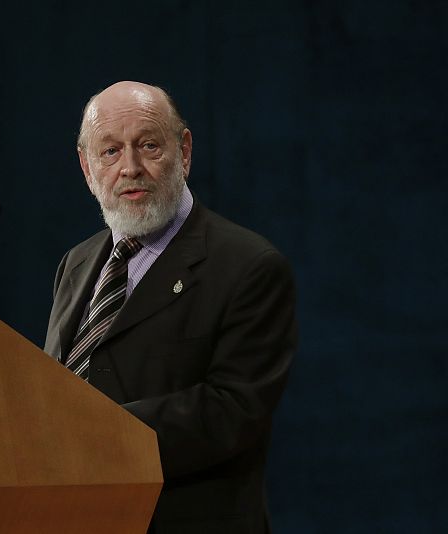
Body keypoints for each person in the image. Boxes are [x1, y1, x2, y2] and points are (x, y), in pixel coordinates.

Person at [44, 81, 297, 533]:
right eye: (110, 152)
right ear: (86, 167)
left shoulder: (249, 266)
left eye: (148, 145)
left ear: (184, 151)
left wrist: (90, 431)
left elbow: (232, 410)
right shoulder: (77, 262)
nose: (131, 168)